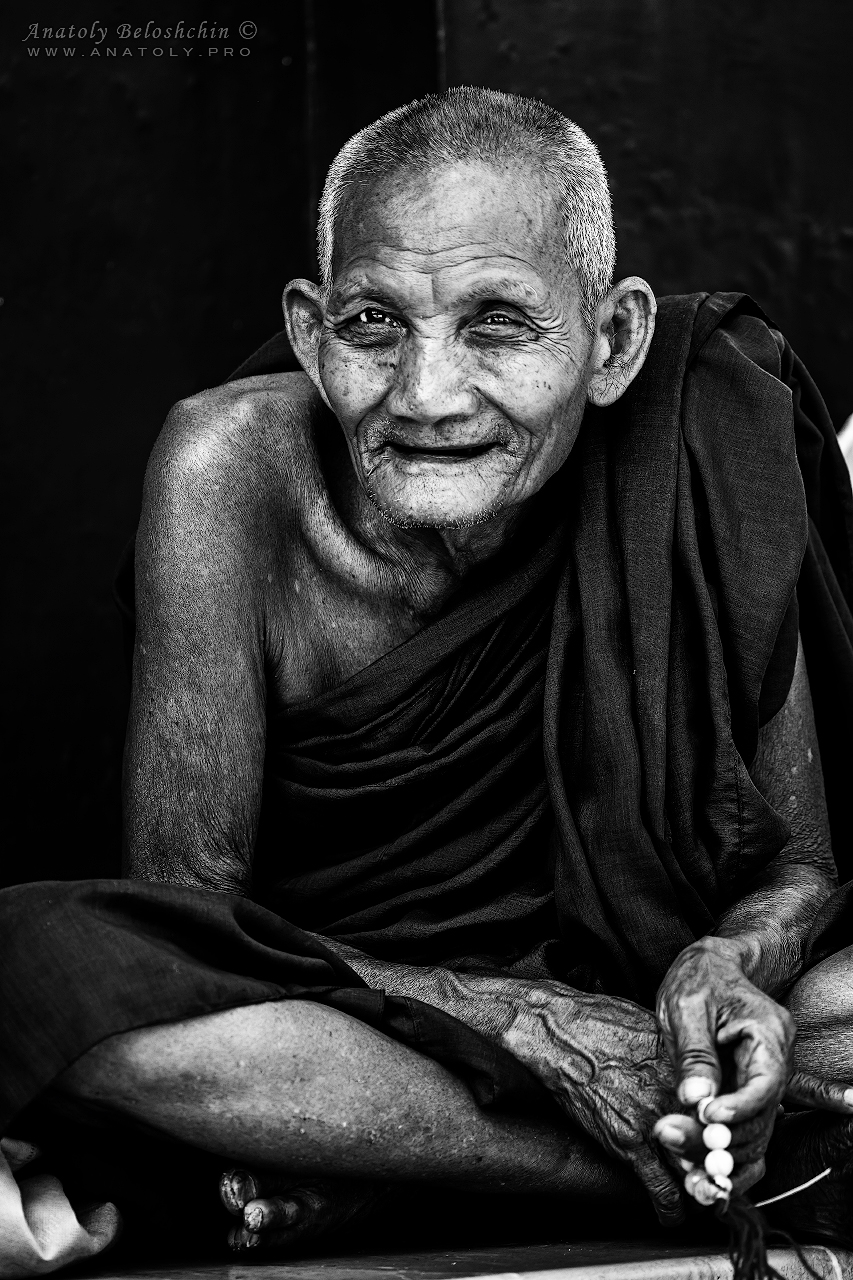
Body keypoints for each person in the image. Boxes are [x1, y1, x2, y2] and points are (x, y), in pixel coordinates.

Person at [3, 87, 853, 1275]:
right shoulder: (227, 471)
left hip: (654, 1005)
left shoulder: (706, 435)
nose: (425, 394)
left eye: (497, 324)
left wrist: (727, 965)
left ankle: (394, 1171)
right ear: (309, 332)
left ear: (613, 342)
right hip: (367, 1021)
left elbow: (800, 869)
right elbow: (187, 920)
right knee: (34, 969)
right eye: (372, 323)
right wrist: (523, 1018)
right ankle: (668, 1162)